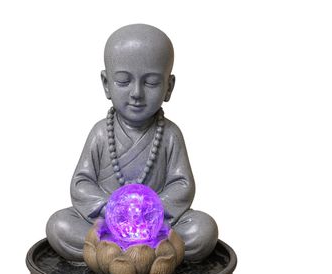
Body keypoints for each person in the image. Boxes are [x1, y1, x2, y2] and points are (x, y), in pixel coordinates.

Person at [46, 24, 218, 262]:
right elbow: (81, 183)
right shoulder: (101, 133)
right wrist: (111, 209)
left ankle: (110, 256)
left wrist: (150, 210)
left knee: (203, 229)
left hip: (154, 225)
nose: (136, 93)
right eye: (123, 81)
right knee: (60, 225)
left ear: (169, 87)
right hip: (107, 223)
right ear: (106, 84)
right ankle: (150, 256)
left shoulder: (170, 134)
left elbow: (182, 185)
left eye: (151, 83)